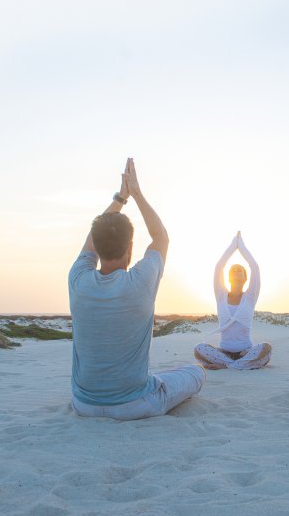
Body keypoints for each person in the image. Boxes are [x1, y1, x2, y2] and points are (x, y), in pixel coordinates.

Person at [68, 158, 206, 420]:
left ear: (96, 249)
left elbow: (90, 242)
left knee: (161, 376)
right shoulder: (140, 282)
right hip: (136, 405)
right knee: (196, 373)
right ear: (130, 248)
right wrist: (138, 194)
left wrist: (121, 198)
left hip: (83, 404)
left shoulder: (78, 280)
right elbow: (161, 237)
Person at [194, 231, 272, 370]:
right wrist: (232, 245)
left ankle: (226, 366)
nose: (236, 269)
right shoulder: (220, 296)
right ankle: (238, 365)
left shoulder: (250, 297)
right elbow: (219, 267)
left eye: (239, 269)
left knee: (266, 348)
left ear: (245, 278)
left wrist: (240, 246)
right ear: (228, 277)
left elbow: (254, 267)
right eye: (233, 269)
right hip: (223, 352)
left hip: (246, 352)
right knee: (198, 349)